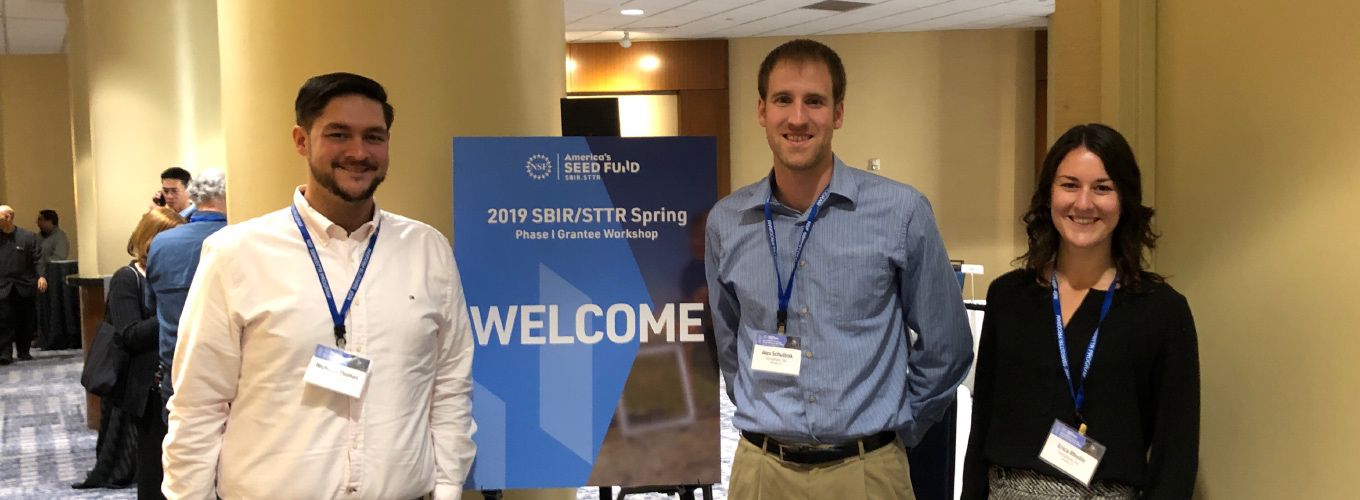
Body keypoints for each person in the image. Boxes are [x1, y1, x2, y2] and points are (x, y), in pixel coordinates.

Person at [162, 72, 476, 499]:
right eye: (338, 134)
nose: (359, 152)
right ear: (301, 140)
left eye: (374, 137)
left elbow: (450, 385)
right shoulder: (236, 254)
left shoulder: (427, 250)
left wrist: (447, 488)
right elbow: (198, 405)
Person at [704, 39, 973, 499]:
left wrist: (898, 429)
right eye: (783, 99)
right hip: (761, 474)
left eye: (815, 101)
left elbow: (946, 345)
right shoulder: (728, 223)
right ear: (761, 111)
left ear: (839, 113)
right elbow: (729, 344)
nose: (798, 117)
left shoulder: (900, 212)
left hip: (867, 474)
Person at [962, 124, 1200, 499]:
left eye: (1102, 188)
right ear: (1048, 194)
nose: (1084, 203)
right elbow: (981, 429)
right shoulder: (1008, 297)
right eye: (1070, 185)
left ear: (1125, 199)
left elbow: (1176, 457)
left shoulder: (1162, 311)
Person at [73, 207, 184, 494]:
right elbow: (130, 334)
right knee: (153, 467)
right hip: (147, 387)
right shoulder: (128, 277)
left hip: (179, 379)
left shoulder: (177, 275)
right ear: (151, 241)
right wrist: (175, 314)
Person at [146, 169, 228, 413]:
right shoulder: (239, 239)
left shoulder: (160, 243)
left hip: (176, 366)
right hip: (226, 373)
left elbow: (151, 304)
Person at [0, 205, 45, 364]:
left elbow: (38, 259)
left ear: (8, 218)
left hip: (24, 285)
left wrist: (42, 277)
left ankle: (23, 351)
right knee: (4, 320)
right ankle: (4, 353)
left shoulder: (28, 237)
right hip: (3, 285)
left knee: (25, 319)